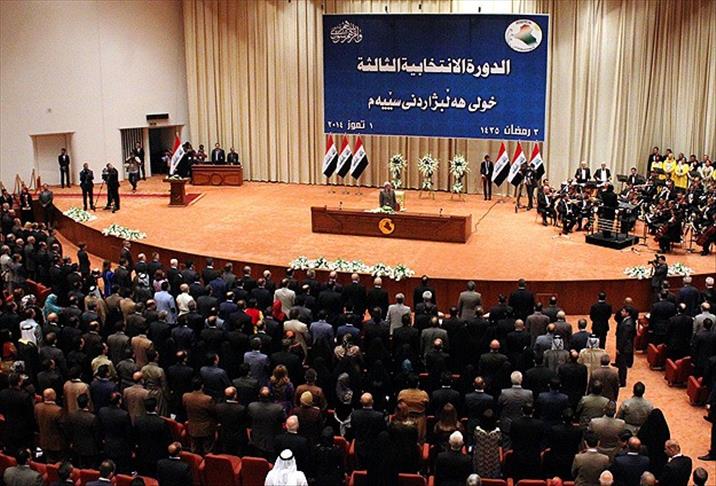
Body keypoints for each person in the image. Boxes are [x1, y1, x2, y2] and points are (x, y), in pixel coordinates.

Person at [637, 409, 670, 478]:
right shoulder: (664, 429)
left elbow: (639, 437)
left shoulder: (646, 427)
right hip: (660, 457)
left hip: (648, 456)